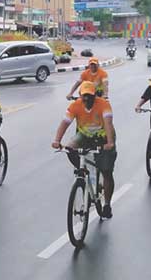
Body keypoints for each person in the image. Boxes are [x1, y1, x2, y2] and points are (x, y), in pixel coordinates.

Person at [52, 81, 117, 219]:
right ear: (80, 95)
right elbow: (65, 123)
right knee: (69, 148)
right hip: (85, 135)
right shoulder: (75, 106)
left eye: (90, 96)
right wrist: (57, 140)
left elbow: (108, 124)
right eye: (84, 96)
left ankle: (107, 204)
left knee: (106, 171)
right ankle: (84, 171)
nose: (87, 99)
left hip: (103, 137)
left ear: (94, 95)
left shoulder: (103, 105)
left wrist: (110, 143)